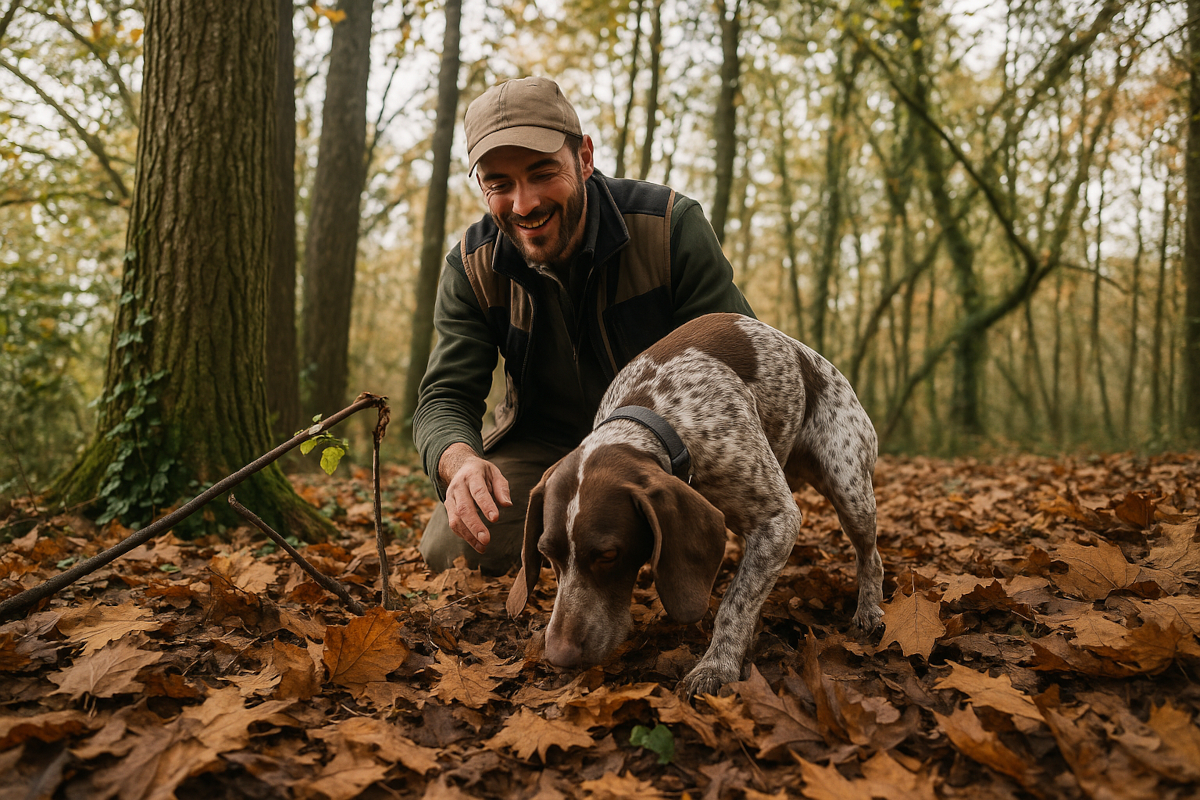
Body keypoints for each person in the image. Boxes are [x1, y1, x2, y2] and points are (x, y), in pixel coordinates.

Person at [413, 76, 755, 574]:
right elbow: (444, 396)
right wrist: (459, 461)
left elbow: (739, 359)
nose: (524, 204)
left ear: (585, 157)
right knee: (452, 550)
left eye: (541, 172)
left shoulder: (668, 227)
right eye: (499, 184)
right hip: (544, 448)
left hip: (668, 448)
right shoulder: (471, 266)